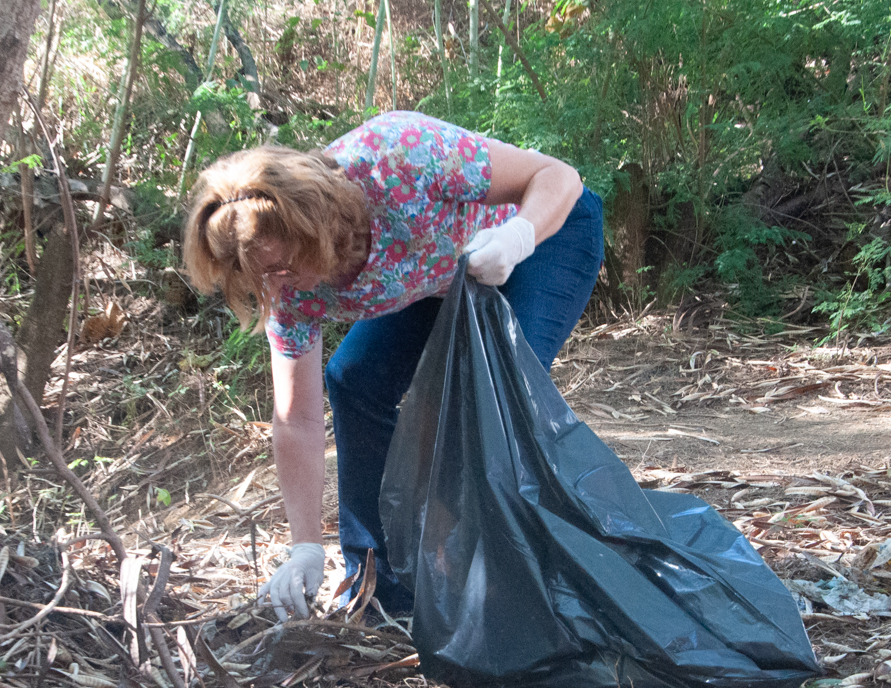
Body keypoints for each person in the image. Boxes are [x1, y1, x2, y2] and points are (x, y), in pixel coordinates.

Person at [184, 110, 603, 620]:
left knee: (490, 398)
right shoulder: (289, 290)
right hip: (435, 280)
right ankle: (380, 584)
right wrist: (305, 546)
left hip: (537, 240)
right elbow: (297, 417)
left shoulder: (399, 157)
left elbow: (557, 176)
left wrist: (518, 236)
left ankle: (510, 590)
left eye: (281, 267)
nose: (275, 287)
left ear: (316, 224)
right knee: (354, 381)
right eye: (257, 277)